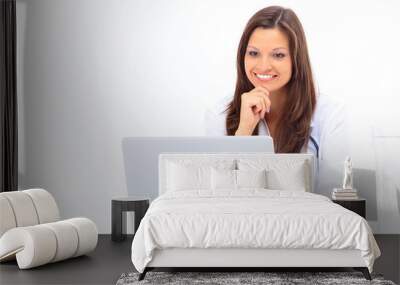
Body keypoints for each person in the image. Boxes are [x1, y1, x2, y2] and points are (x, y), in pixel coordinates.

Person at [204, 6, 350, 196]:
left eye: (278, 55)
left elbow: (333, 197)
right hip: (243, 222)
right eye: (254, 53)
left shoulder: (330, 113)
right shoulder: (218, 113)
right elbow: (219, 195)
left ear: (296, 59)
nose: (263, 66)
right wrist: (244, 132)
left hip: (308, 222)